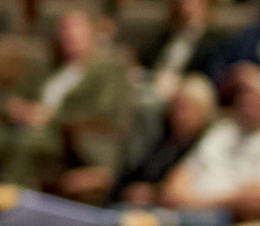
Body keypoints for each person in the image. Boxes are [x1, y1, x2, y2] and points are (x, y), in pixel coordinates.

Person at [0, 8, 126, 199]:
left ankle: (13, 213)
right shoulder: (57, 68)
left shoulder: (108, 69)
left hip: (67, 137)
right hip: (30, 126)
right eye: (65, 32)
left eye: (76, 32)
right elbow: (29, 97)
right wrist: (17, 108)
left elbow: (103, 110)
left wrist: (50, 116)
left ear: (92, 33)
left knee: (28, 141)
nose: (69, 37)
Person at [155, 66, 260, 226]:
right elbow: (176, 181)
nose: (247, 101)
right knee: (131, 220)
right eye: (244, 94)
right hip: (183, 212)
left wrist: (197, 204)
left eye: (257, 96)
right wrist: (184, 201)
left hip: (228, 221)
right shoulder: (223, 131)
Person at [76, 73, 215, 206]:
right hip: (124, 201)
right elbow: (131, 172)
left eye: (188, 108)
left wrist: (154, 195)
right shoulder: (160, 137)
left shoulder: (205, 146)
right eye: (177, 106)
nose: (180, 115)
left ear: (203, 112)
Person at [140, 0, 225, 105]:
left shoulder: (214, 40)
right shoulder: (166, 35)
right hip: (154, 85)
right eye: (183, 1)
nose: (186, 7)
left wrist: (179, 83)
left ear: (206, 5)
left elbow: (211, 78)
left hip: (188, 92)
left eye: (193, 1)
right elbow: (146, 62)